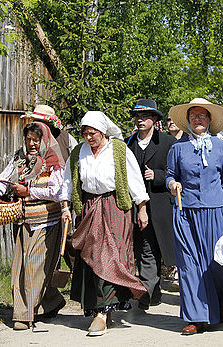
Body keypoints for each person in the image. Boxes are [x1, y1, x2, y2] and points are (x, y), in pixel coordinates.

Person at [60, 111, 149, 337]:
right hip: (89, 208)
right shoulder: (78, 152)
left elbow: (135, 179)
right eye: (85, 133)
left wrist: (142, 208)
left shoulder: (118, 150)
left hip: (116, 208)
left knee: (112, 256)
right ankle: (99, 309)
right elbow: (69, 182)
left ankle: (104, 312)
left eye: (93, 133)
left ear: (103, 131)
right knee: (92, 256)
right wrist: (65, 207)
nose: (89, 137)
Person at [0, 121, 67, 330]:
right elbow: (4, 179)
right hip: (23, 219)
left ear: (44, 139)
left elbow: (57, 190)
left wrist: (29, 192)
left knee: (35, 267)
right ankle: (51, 302)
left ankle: (23, 316)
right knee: (20, 267)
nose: (32, 144)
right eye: (28, 140)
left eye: (36, 140)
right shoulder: (20, 158)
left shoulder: (55, 160)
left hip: (46, 220)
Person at [166, 98, 223, 335]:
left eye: (202, 115)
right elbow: (170, 175)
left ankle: (221, 301)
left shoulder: (221, 147)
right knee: (189, 265)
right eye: (193, 116)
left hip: (215, 212)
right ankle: (196, 316)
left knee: (216, 263)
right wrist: (172, 184)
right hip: (185, 213)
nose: (198, 119)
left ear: (210, 120)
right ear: (188, 122)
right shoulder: (177, 148)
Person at [125, 99, 177, 310]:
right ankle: (147, 293)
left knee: (167, 250)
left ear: (155, 119)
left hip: (163, 205)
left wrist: (157, 175)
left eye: (145, 116)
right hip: (138, 206)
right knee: (146, 249)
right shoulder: (129, 144)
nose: (140, 120)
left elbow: (178, 173)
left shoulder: (168, 143)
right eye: (137, 116)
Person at [21, 105, 78, 273]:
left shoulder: (66, 139)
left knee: (66, 237)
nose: (37, 125)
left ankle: (78, 275)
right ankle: (49, 279)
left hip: (62, 196)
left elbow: (77, 164)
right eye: (35, 121)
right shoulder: (32, 141)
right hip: (37, 203)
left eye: (40, 122)